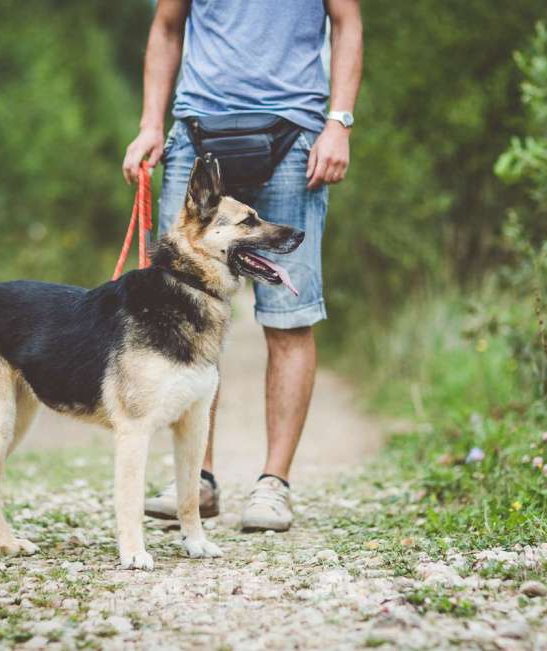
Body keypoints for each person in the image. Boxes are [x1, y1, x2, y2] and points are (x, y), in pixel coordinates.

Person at [122, 0, 362, 532]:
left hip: (294, 137)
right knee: (181, 311)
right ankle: (196, 481)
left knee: (290, 313)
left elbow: (347, 22)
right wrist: (149, 124)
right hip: (197, 132)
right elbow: (166, 25)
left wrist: (339, 122)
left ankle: (273, 486)